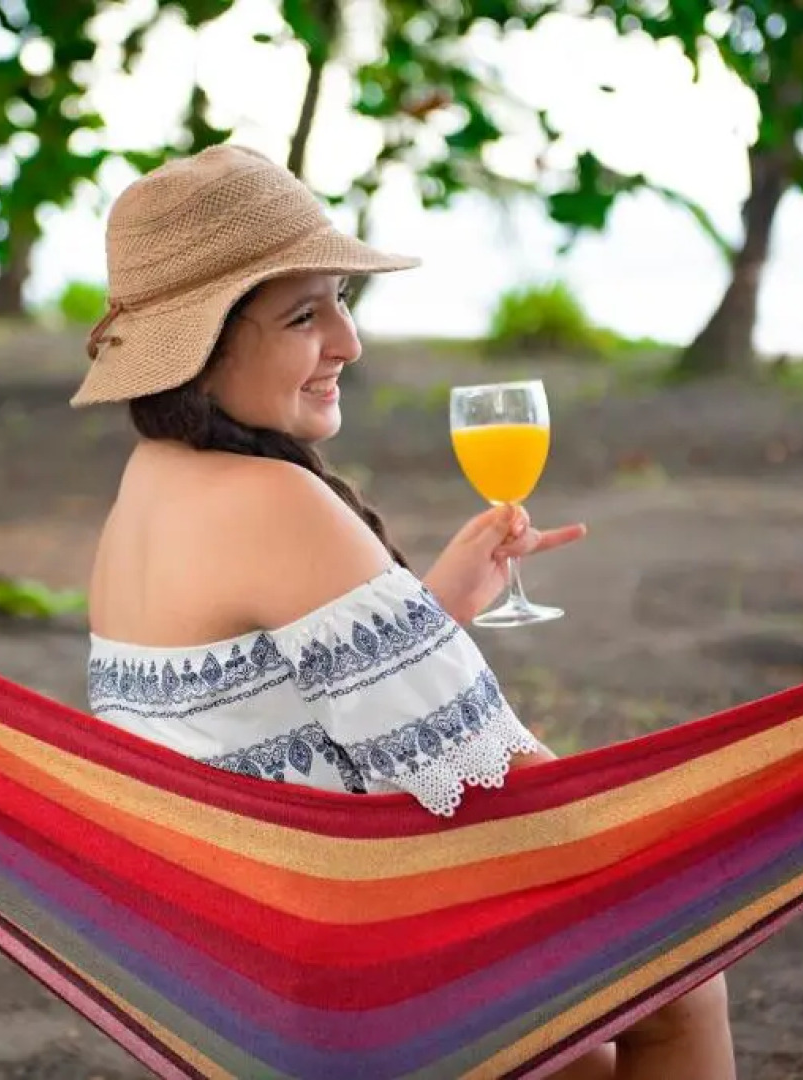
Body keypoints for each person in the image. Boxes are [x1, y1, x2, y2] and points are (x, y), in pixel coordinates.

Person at [71, 144, 734, 1079]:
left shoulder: (148, 485)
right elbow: (500, 784)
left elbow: (253, 711)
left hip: (220, 965)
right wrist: (709, 828)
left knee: (577, 1055)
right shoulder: (274, 502)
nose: (347, 342)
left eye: (343, 302)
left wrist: (427, 614)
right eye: (305, 314)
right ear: (203, 344)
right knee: (680, 965)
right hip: (327, 982)